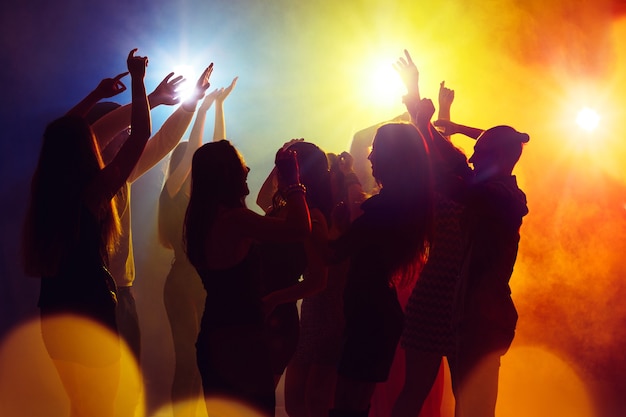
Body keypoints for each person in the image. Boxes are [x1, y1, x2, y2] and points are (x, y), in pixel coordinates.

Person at [21, 49, 150, 417]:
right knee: (101, 407)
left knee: (79, 405)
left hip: (54, 316)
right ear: (86, 147)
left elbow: (58, 136)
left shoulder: (43, 190)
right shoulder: (93, 193)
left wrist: (96, 95)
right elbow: (140, 135)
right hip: (91, 312)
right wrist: (138, 82)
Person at [184, 140, 311, 416]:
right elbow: (300, 228)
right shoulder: (235, 221)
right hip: (241, 343)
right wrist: (293, 182)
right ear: (227, 174)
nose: (248, 169)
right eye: (241, 164)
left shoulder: (201, 219)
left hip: (217, 335)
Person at [329, 121, 435, 417]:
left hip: (371, 316)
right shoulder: (399, 205)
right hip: (376, 314)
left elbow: (333, 254)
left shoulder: (386, 209)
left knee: (347, 406)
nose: (370, 157)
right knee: (354, 405)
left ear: (393, 156)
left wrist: (306, 219)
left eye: (376, 150)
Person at [391, 50, 472, 417]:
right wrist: (418, 96)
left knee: (455, 395)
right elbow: (434, 146)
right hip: (448, 295)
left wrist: (440, 115)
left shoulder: (473, 189)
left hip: (457, 297)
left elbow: (439, 146)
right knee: (420, 392)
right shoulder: (446, 189)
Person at [434, 119, 529, 417]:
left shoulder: (503, 198)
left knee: (474, 408)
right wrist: (440, 127)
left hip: (481, 317)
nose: (473, 159)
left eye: (480, 153)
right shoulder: (502, 193)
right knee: (471, 405)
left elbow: (459, 176)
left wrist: (424, 128)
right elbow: (472, 163)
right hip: (478, 315)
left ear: (499, 158)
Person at [158, 76, 238, 417]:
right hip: (181, 285)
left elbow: (219, 152)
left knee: (203, 365)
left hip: (205, 284)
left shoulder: (206, 197)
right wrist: (201, 109)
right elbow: (196, 152)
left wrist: (218, 107)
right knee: (187, 364)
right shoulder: (171, 193)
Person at [284, 150, 366, 417]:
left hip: (332, 314)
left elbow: (326, 270)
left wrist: (348, 172)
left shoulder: (339, 220)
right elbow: (264, 199)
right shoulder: (309, 213)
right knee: (295, 401)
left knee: (316, 400)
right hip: (311, 313)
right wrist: (284, 170)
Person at [256, 139, 334, 389]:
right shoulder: (282, 208)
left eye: (287, 166)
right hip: (264, 311)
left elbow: (319, 280)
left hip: (277, 316)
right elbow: (261, 198)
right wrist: (280, 162)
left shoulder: (312, 217)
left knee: (257, 401)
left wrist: (275, 299)